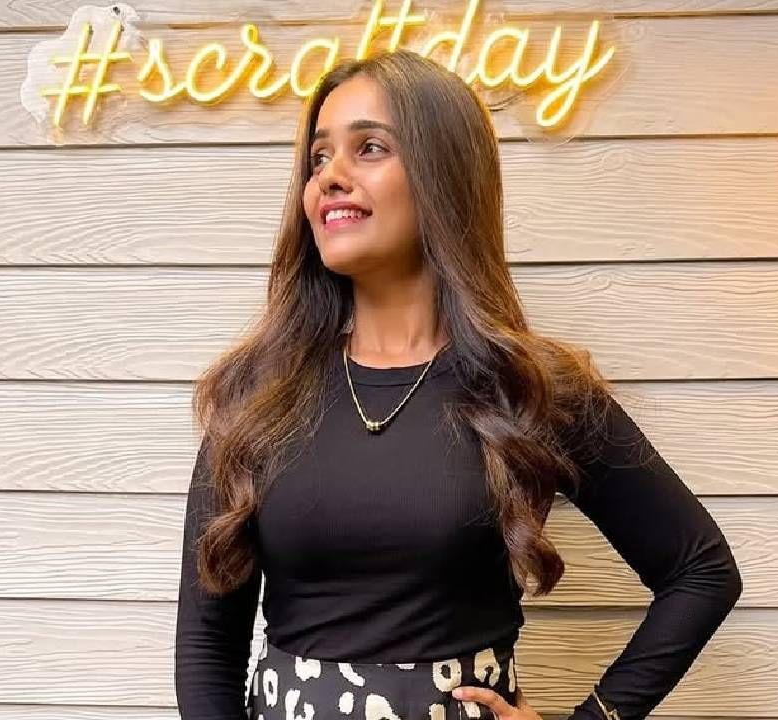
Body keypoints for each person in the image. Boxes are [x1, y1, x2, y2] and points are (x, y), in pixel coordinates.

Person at [174, 49, 742, 720]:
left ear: (444, 175)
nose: (330, 177)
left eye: (370, 148)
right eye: (318, 158)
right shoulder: (258, 394)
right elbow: (207, 646)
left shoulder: (532, 390)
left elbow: (701, 571)